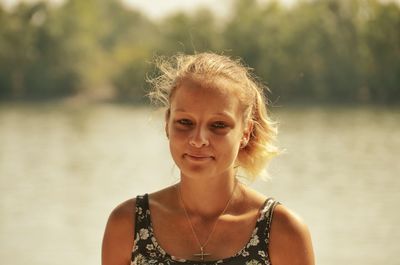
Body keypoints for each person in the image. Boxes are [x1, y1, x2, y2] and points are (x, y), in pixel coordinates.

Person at [102, 52, 315, 265]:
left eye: (218, 125)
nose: (198, 140)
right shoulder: (128, 224)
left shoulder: (282, 231)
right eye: (185, 122)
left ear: (245, 132)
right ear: (167, 123)